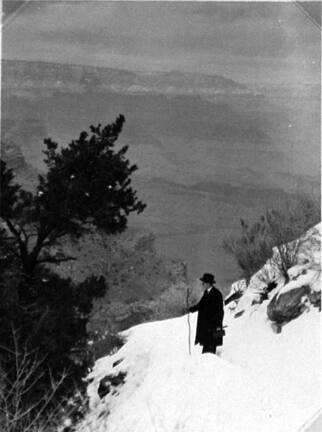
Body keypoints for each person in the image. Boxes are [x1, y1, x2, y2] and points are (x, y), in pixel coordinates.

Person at [189, 273, 224, 354]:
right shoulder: (206, 293)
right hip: (207, 329)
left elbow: (220, 312)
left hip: (212, 328)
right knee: (206, 351)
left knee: (209, 352)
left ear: (208, 283)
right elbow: (201, 305)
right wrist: (191, 309)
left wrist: (218, 326)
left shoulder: (216, 294)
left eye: (203, 283)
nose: (202, 284)